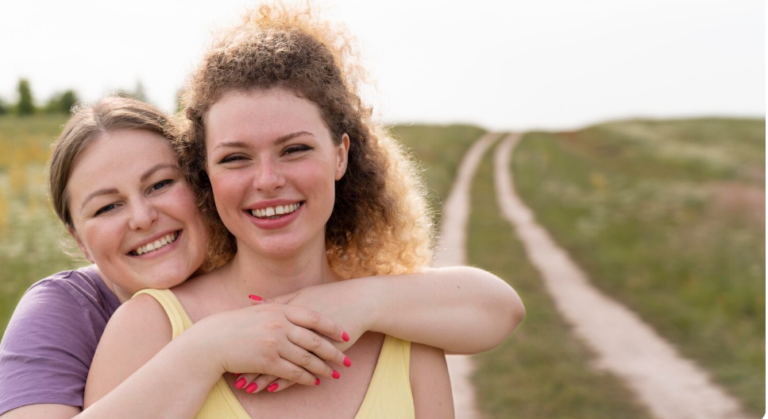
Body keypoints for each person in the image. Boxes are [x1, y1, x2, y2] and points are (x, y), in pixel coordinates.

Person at [84, 4, 520, 418]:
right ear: (206, 173)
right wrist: (208, 349)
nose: (268, 180)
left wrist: (360, 302)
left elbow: (503, 308)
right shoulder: (150, 329)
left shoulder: (403, 331)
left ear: (340, 156)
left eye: (295, 149)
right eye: (235, 158)